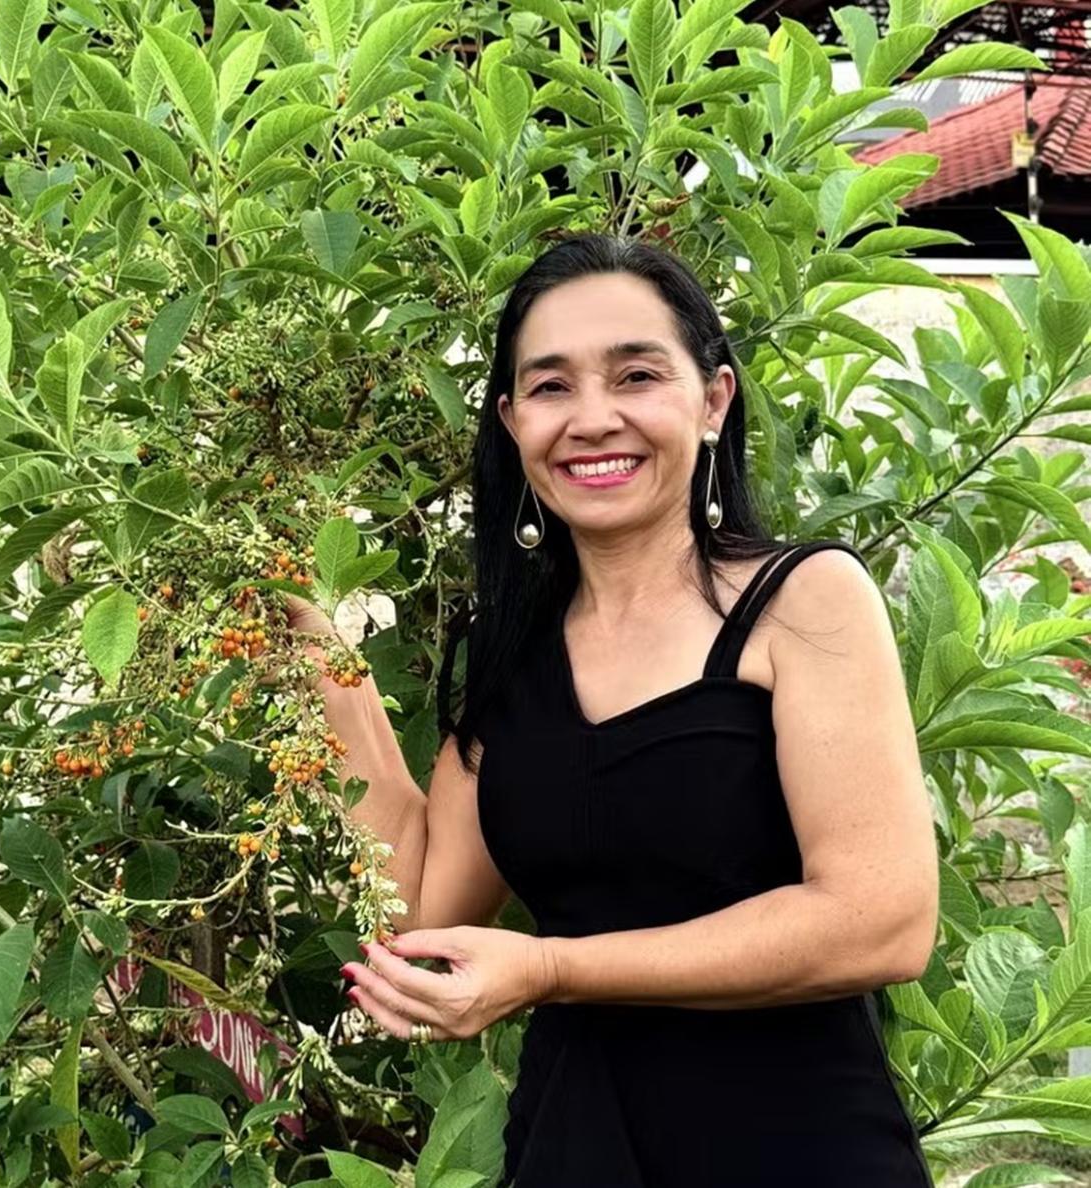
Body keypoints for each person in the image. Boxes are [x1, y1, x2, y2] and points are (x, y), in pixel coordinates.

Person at [287, 234, 940, 1186]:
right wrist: (319, 661)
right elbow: (422, 904)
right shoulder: (514, 655)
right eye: (550, 388)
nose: (592, 419)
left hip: (795, 1146)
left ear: (713, 400)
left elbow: (880, 920)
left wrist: (553, 969)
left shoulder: (802, 599)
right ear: (512, 422)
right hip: (573, 1146)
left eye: (636, 375)